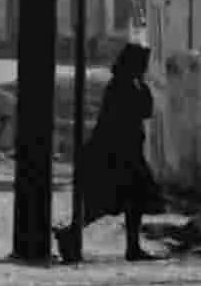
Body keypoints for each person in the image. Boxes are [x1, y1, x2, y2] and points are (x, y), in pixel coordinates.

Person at [57, 42, 162, 263]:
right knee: (112, 203)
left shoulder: (125, 84)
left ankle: (129, 247)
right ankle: (71, 233)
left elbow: (145, 111)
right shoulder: (122, 86)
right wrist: (144, 87)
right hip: (118, 155)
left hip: (125, 153)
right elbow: (143, 110)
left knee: (129, 202)